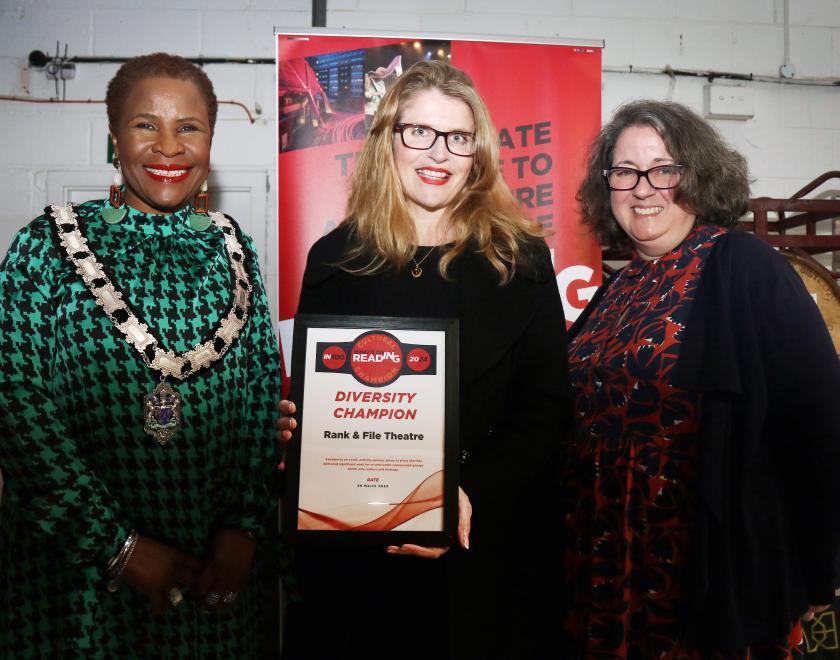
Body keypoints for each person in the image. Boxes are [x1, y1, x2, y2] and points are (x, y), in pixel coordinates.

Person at [277, 60, 571, 659]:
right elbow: (323, 406)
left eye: (457, 137)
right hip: (356, 566)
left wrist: (470, 493)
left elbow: (545, 409)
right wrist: (295, 431)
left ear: (478, 152)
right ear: (389, 138)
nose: (438, 152)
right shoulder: (336, 258)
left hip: (481, 557)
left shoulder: (522, 262)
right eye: (419, 132)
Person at [0, 53, 281, 658]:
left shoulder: (236, 250)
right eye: (145, 124)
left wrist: (245, 528)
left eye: (189, 127)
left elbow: (261, 397)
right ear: (113, 139)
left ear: (211, 139)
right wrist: (117, 547)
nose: (169, 146)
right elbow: (16, 407)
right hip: (76, 572)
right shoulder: (45, 246)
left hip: (210, 572)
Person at [564, 99, 840, 657]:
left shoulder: (744, 266)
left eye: (663, 170)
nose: (643, 189)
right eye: (624, 172)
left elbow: (820, 421)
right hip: (604, 567)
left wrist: (818, 571)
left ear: (697, 175)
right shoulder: (614, 290)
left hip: (700, 575)